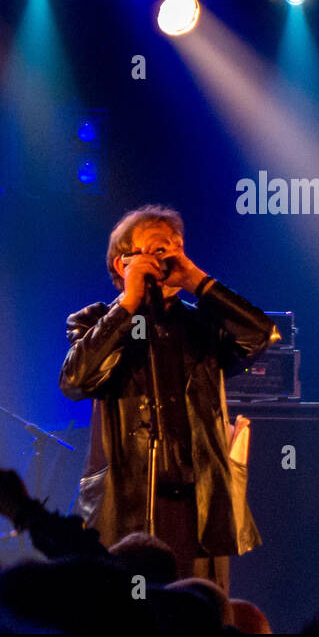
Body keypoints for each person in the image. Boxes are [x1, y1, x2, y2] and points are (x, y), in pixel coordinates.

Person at [58, 204, 273, 593]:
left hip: (199, 502)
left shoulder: (203, 326)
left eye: (175, 248)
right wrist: (128, 305)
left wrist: (199, 281)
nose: (169, 257)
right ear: (123, 262)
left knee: (200, 611)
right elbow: (75, 380)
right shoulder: (92, 322)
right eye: (156, 250)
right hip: (126, 501)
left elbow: (261, 337)